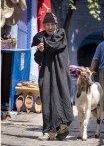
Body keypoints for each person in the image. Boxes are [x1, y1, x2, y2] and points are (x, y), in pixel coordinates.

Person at [31, 12, 74, 141]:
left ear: (56, 25)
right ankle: (50, 132)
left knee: (61, 98)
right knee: (47, 99)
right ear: (44, 25)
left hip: (60, 73)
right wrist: (39, 50)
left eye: (52, 25)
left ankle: (62, 127)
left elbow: (54, 46)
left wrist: (42, 42)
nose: (50, 27)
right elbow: (38, 60)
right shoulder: (41, 39)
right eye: (47, 25)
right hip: (46, 74)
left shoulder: (60, 34)